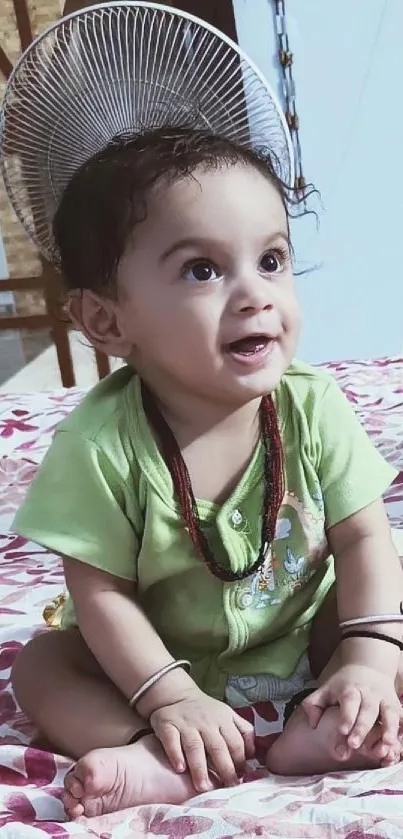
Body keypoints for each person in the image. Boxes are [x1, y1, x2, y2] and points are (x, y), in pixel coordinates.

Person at [10, 126, 403, 821]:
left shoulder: (310, 404)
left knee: (388, 605)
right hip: (152, 658)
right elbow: (98, 592)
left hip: (305, 632)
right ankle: (155, 757)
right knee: (41, 667)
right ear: (105, 319)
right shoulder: (101, 443)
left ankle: (336, 716)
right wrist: (168, 697)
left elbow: (365, 539)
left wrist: (366, 655)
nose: (255, 294)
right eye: (202, 269)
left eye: (272, 259)